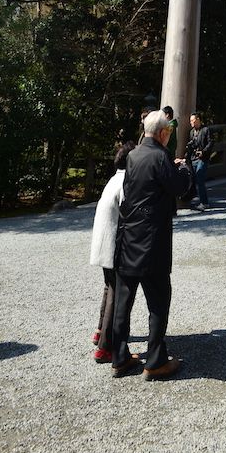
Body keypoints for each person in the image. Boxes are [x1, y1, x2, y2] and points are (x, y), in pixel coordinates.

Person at [111, 110, 191, 380]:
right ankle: (155, 360)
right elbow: (178, 187)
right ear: (163, 133)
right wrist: (183, 167)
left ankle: (119, 356)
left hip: (128, 237)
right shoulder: (160, 156)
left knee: (124, 300)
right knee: (158, 299)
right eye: (168, 131)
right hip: (151, 241)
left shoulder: (132, 155)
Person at [89, 141, 135, 363]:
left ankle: (100, 331)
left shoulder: (113, 179)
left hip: (102, 243)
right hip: (114, 246)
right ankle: (105, 347)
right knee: (116, 294)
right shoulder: (126, 182)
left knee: (109, 288)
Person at [185, 112, 213, 211]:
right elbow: (191, 145)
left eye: (192, 120)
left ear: (198, 119)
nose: (191, 122)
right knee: (193, 179)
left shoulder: (206, 130)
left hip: (203, 158)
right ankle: (193, 200)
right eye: (190, 121)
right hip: (193, 158)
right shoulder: (192, 132)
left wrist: (203, 152)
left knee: (200, 177)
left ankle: (204, 202)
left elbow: (210, 143)